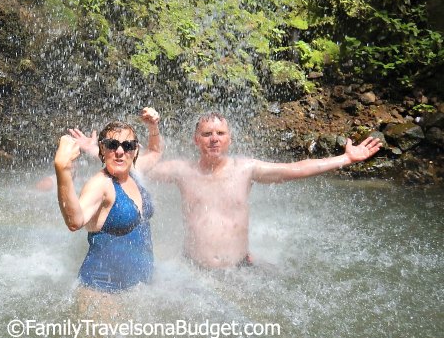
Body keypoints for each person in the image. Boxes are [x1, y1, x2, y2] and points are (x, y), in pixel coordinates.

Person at [147, 112, 382, 270]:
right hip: (193, 270)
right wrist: (153, 130)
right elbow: (139, 170)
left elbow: (296, 169)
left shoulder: (246, 169)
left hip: (240, 269)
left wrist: (346, 158)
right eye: (207, 134)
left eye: (220, 134)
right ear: (196, 140)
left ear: (230, 139)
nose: (214, 140)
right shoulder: (181, 170)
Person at [54, 107, 162, 294]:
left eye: (127, 146)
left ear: (135, 150)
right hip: (102, 291)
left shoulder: (134, 172)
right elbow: (75, 221)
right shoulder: (101, 185)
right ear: (102, 149)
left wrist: (153, 127)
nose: (120, 151)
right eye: (112, 145)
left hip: (140, 290)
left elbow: (155, 152)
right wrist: (62, 169)